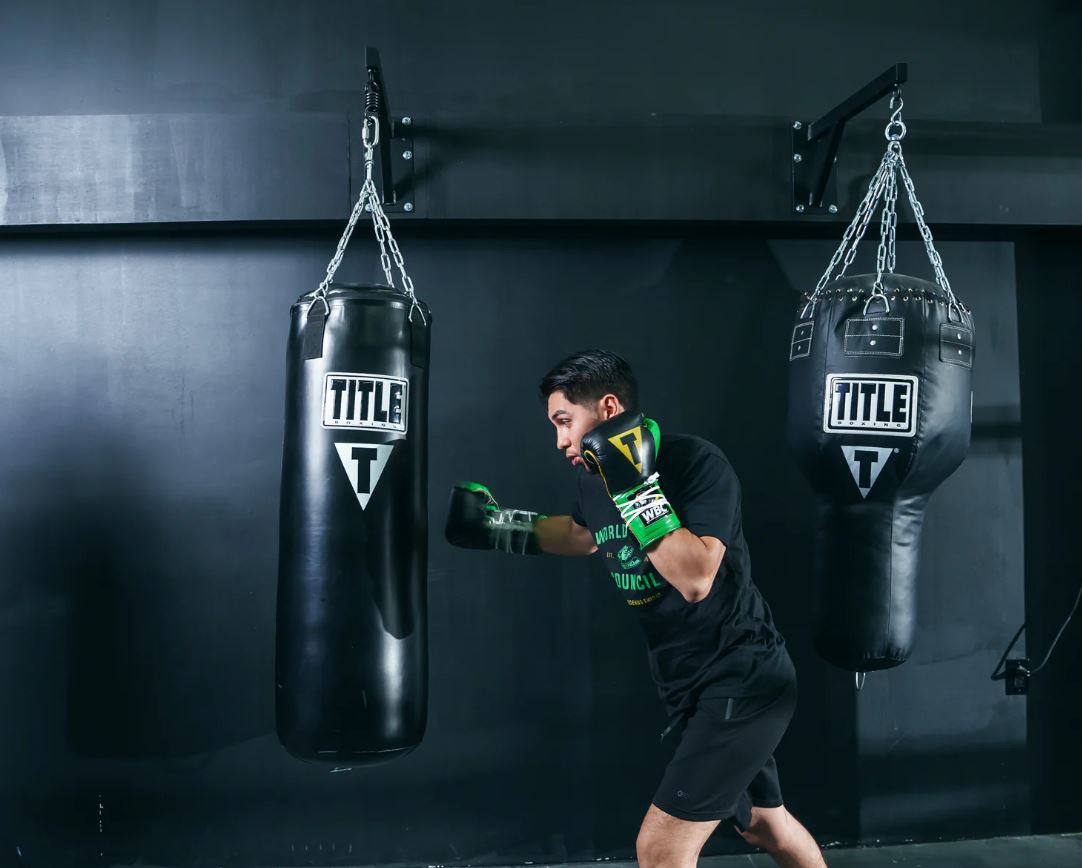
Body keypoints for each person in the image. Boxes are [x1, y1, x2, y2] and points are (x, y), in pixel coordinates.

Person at [445, 349, 827, 868]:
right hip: (686, 683)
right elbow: (584, 536)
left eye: (565, 422)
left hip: (742, 679)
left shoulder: (696, 464)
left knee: (661, 848)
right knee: (766, 826)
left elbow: (695, 577)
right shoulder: (591, 477)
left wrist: (636, 489)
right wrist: (503, 528)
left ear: (606, 408)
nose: (560, 441)